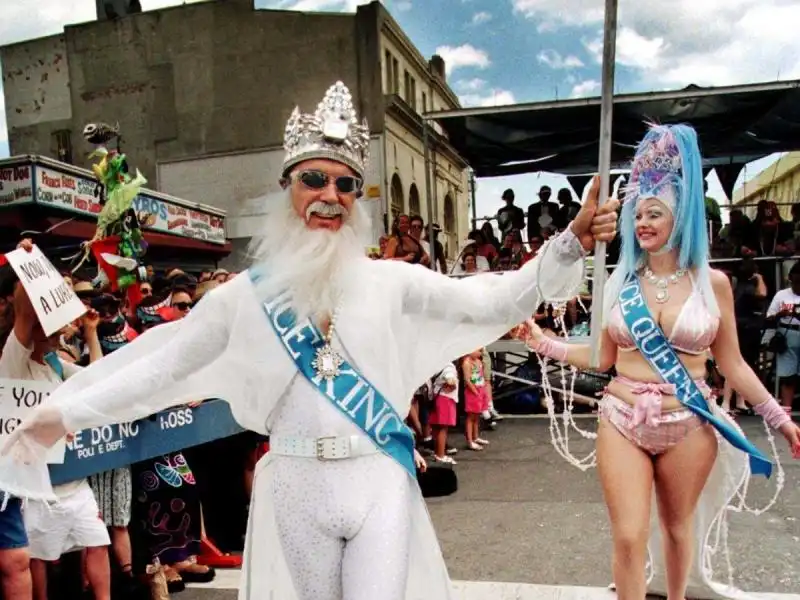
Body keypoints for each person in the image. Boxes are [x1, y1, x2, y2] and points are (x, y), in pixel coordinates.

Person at [0, 81, 616, 600]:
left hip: (378, 477)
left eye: (346, 185)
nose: (330, 196)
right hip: (294, 479)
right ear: (288, 188)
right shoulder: (244, 297)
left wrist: (570, 242)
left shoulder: (392, 281)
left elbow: (493, 298)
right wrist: (67, 413)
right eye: (314, 179)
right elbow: (162, 365)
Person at [516, 123, 800, 600]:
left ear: (681, 217)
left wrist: (780, 418)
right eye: (638, 214)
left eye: (655, 213)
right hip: (622, 417)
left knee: (676, 529)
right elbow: (602, 357)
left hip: (689, 421)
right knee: (628, 535)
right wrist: (543, 341)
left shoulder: (714, 286)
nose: (643, 223)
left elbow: (733, 365)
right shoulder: (619, 283)